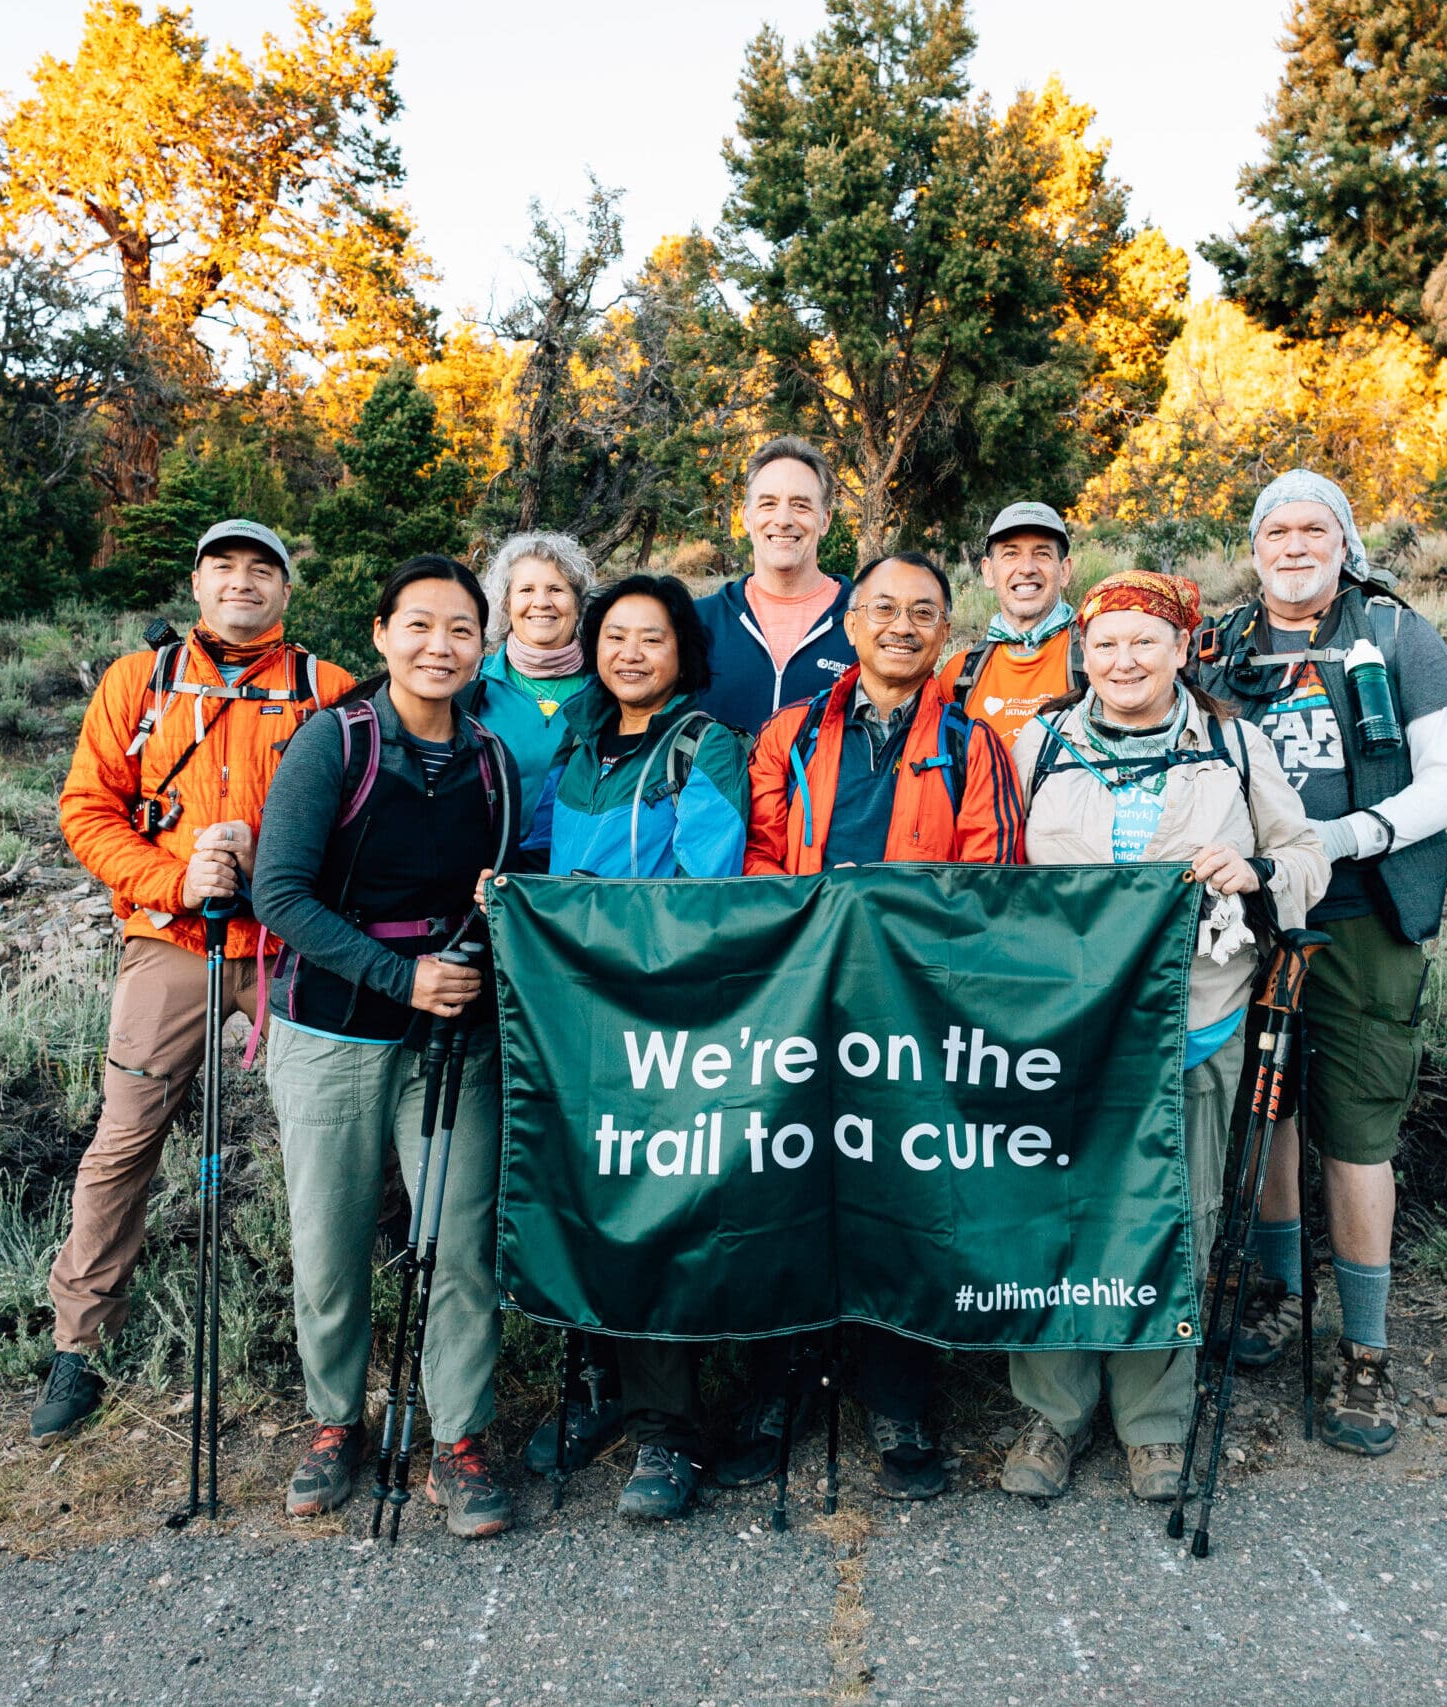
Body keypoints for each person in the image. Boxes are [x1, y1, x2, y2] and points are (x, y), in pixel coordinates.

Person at [1002, 568, 1329, 1502]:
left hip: (1195, 1016)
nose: (1123, 658)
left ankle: (1154, 1417)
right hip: (1060, 1028)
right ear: (1083, 654)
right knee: (1057, 1213)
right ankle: (1053, 1410)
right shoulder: (1037, 745)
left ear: (1182, 647)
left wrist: (1255, 868)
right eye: (1104, 643)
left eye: (1144, 640)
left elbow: (1306, 856)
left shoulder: (1233, 742)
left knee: (1177, 1218)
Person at [32, 519, 353, 1447]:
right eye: (225, 567)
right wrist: (175, 879)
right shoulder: (138, 684)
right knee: (125, 1135)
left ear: (286, 591)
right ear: (199, 582)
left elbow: (370, 810)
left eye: (263, 569)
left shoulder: (326, 689)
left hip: (294, 945)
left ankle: (358, 1320)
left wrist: (288, 871)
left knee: (345, 1133)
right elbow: (86, 809)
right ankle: (79, 1342)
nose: (243, 581)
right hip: (172, 938)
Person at [1194, 469, 1447, 1457]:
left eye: (1314, 527)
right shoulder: (1225, 646)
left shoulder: (1400, 637)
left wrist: (1345, 837)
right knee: (1264, 1109)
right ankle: (1277, 1291)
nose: (1293, 543)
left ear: (1344, 541)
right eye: (1275, 529)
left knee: (1357, 1127)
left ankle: (1363, 1347)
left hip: (1363, 914)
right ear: (1256, 545)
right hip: (1251, 912)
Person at [739, 550, 1024, 1500]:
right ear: (851, 624)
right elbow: (759, 864)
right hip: (801, 1004)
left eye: (924, 613)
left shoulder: (973, 744)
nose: (902, 626)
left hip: (910, 1013)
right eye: (884, 610)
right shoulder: (787, 735)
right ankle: (774, 1389)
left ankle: (898, 1399)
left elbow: (989, 884)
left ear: (946, 632)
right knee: (785, 1194)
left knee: (902, 1198)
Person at [252, 555, 517, 1539]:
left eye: (459, 630)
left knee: (459, 1242)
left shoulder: (491, 759)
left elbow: (495, 885)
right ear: (381, 634)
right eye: (420, 626)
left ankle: (459, 1437)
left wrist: (479, 940)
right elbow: (279, 895)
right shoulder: (333, 744)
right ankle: (334, 1423)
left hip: (456, 1040)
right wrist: (401, 975)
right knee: (328, 1242)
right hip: (333, 1031)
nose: (439, 646)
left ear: (480, 646)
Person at [511, 573, 749, 1521]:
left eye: (652, 638)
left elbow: (705, 888)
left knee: (657, 1216)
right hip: (567, 1014)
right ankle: (598, 1388)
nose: (631, 653)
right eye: (615, 636)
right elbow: (528, 863)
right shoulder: (572, 747)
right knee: (581, 1203)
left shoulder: (706, 748)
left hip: (660, 1018)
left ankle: (670, 1432)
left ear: (682, 653)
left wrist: (579, 912)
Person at [693, 436, 856, 731]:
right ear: (746, 517)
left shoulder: (863, 625)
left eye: (800, 505)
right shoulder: (696, 622)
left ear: (825, 520)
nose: (783, 519)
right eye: (768, 503)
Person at [463, 530, 595, 861]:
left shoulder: (608, 688)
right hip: (491, 879)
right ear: (506, 603)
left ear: (578, 603)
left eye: (556, 589)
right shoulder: (471, 686)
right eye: (526, 590)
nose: (541, 602)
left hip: (584, 881)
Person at [937, 500, 1085, 748]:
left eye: (1042, 553)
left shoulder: (1097, 660)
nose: (1027, 568)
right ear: (988, 571)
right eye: (1011, 553)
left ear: (1065, 570)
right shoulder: (959, 673)